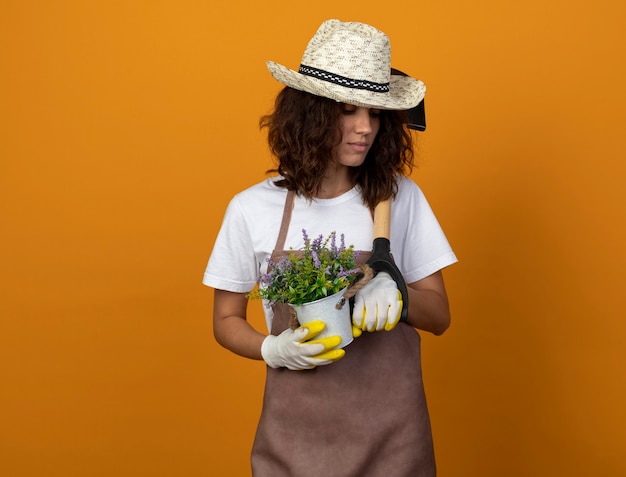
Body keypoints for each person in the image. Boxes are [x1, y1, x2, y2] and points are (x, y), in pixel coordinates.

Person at [203, 19, 457, 477]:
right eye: (346, 110)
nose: (364, 128)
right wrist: (271, 349)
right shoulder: (251, 209)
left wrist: (396, 294)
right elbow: (225, 321)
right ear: (309, 114)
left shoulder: (398, 198)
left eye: (375, 113)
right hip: (294, 438)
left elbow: (440, 316)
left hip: (393, 440)